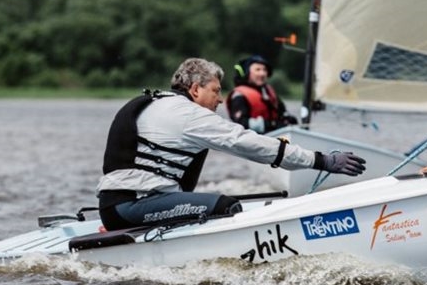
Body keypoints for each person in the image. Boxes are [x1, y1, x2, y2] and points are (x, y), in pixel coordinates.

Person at [97, 57, 365, 231]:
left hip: (121, 206)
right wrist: (321, 160)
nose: (220, 99)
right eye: (215, 91)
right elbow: (246, 142)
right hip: (131, 206)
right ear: (195, 89)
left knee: (222, 203)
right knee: (225, 207)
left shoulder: (159, 103)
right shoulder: (187, 114)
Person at [226, 54, 298, 133]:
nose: (262, 73)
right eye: (258, 70)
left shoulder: (268, 91)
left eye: (264, 70)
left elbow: (281, 111)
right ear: (247, 72)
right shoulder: (239, 95)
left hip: (274, 136)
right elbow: (241, 123)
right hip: (252, 138)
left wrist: (287, 119)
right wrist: (271, 124)